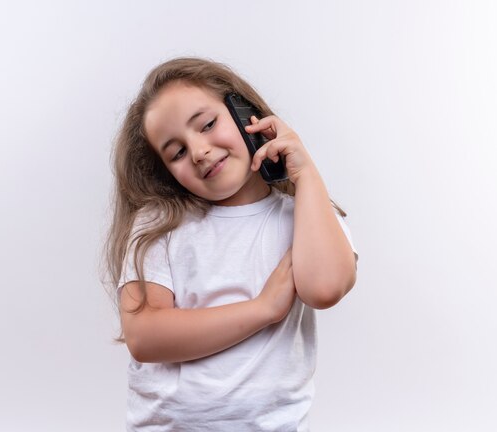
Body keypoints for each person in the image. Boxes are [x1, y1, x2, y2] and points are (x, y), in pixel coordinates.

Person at [104, 56, 358, 431]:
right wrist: (263, 309)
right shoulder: (160, 225)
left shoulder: (307, 217)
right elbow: (144, 335)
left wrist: (305, 173)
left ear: (245, 114)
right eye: (176, 152)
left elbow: (324, 288)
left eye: (207, 124)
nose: (199, 151)